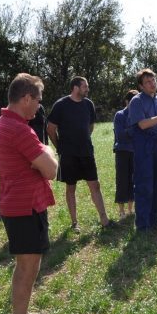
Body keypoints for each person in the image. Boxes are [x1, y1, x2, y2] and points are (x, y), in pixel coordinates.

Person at [0, 74, 58, 314]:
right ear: (27, 98)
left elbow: (41, 161)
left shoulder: (4, 122)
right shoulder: (19, 129)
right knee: (27, 267)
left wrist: (42, 152)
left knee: (27, 264)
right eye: (38, 101)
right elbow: (52, 169)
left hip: (18, 204)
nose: (39, 107)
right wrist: (48, 152)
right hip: (24, 207)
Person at [46, 76, 112, 231]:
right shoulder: (61, 105)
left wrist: (84, 138)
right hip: (68, 154)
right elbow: (50, 128)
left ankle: (104, 219)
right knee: (71, 188)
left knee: (95, 184)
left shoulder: (88, 104)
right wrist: (60, 147)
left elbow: (90, 126)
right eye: (85, 86)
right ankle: (75, 222)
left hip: (86, 152)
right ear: (75, 87)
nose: (87, 89)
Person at [126, 69, 157, 232]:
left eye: (153, 80)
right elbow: (142, 124)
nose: (152, 83)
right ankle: (142, 225)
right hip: (144, 147)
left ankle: (154, 222)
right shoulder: (136, 101)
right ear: (140, 86)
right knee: (144, 184)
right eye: (147, 82)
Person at [113, 89, 138, 219]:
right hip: (122, 152)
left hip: (136, 152)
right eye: (133, 102)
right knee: (122, 180)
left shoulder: (139, 115)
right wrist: (134, 131)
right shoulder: (120, 115)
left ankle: (131, 209)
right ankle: (121, 210)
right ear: (127, 101)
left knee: (134, 180)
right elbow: (120, 135)